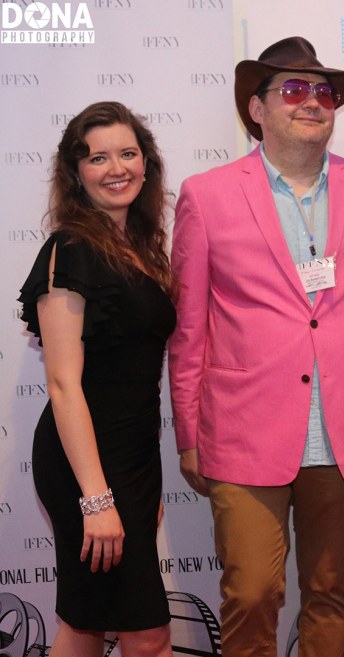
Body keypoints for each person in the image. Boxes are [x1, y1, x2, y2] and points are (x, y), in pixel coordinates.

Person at [168, 36, 344, 656]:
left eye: (324, 92)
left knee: (331, 592)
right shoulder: (206, 195)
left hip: (343, 430)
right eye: (293, 89)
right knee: (251, 595)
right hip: (244, 431)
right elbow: (189, 329)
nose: (312, 101)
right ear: (257, 108)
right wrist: (188, 433)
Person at [18, 101, 175, 657]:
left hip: (132, 458)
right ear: (76, 172)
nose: (116, 168)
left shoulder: (143, 249)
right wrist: (95, 498)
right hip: (85, 464)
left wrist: (140, 484)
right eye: (98, 157)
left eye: (127, 153)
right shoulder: (69, 251)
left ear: (146, 163)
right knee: (147, 636)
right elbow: (63, 385)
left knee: (85, 623)